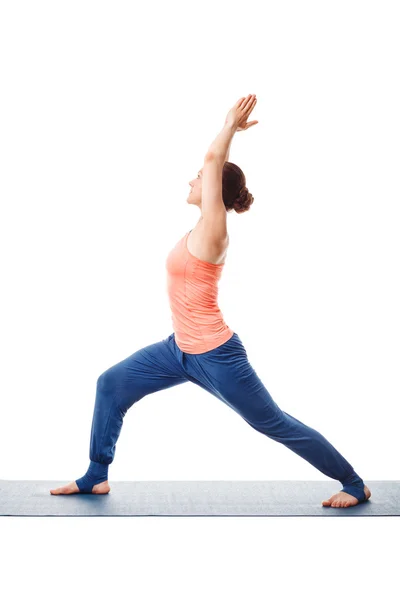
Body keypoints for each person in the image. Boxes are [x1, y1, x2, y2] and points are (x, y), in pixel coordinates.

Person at [50, 94, 371, 508]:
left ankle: (352, 482)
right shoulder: (198, 227)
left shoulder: (214, 231)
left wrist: (229, 127)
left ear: (215, 190)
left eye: (199, 178)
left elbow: (212, 161)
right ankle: (96, 476)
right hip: (178, 350)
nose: (191, 181)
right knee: (110, 384)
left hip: (217, 355)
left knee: (271, 422)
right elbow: (210, 169)